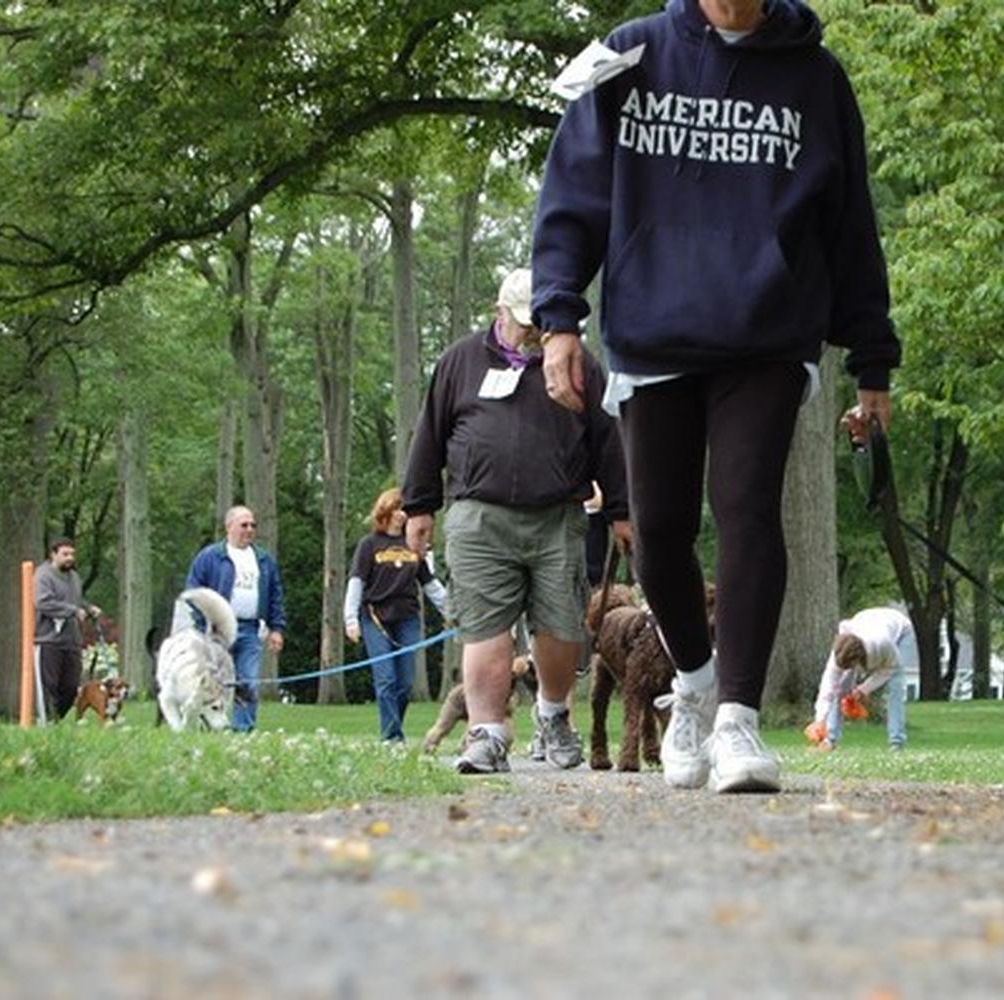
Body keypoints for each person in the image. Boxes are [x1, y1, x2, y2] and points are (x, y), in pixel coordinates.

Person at [531, 0, 901, 792]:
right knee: (658, 529)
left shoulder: (816, 77)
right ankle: (694, 682)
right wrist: (558, 316)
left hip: (768, 332)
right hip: (651, 328)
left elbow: (850, 223)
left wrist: (874, 357)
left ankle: (737, 720)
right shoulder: (629, 57)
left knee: (746, 507)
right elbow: (574, 192)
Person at [402, 268, 632, 774]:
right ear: (498, 311)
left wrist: (621, 510)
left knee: (559, 628)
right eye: (525, 322)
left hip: (557, 517)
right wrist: (418, 506)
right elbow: (429, 434)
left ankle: (552, 715)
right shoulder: (460, 361)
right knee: (487, 630)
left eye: (542, 323)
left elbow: (608, 441)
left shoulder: (579, 365)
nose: (533, 332)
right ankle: (485, 735)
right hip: (478, 518)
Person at [345, 487, 450, 742]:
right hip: (376, 619)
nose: (403, 515)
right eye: (399, 509)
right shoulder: (369, 545)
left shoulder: (413, 545)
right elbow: (356, 582)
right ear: (387, 511)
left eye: (406, 510)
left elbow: (430, 584)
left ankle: (393, 731)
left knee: (404, 684)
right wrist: (351, 620)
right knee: (386, 681)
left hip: (407, 619)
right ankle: (392, 738)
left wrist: (453, 612)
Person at [185, 505, 287, 732]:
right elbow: (193, 593)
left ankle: (244, 730)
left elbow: (275, 596)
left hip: (250, 630)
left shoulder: (263, 560)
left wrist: (276, 629)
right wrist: (204, 624)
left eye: (253, 525)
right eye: (244, 525)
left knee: (247, 682)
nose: (249, 529)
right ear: (229, 526)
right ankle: (210, 726)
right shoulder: (211, 557)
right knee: (214, 682)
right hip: (217, 630)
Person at [810, 607, 913, 751]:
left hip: (899, 629)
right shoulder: (839, 652)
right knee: (840, 688)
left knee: (895, 688)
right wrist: (819, 721)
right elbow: (828, 689)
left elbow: (889, 669)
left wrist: (863, 689)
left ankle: (896, 742)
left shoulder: (881, 645)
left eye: (850, 667)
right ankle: (829, 740)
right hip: (865, 622)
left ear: (858, 659)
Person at [33, 537, 100, 721]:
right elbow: (42, 602)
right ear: (53, 555)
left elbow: (76, 601)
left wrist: (88, 608)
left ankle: (56, 720)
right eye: (65, 554)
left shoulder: (74, 577)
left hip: (71, 640)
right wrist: (72, 611)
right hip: (47, 640)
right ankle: (45, 722)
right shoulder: (43, 575)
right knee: (49, 686)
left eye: (72, 554)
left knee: (71, 688)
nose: (70, 558)